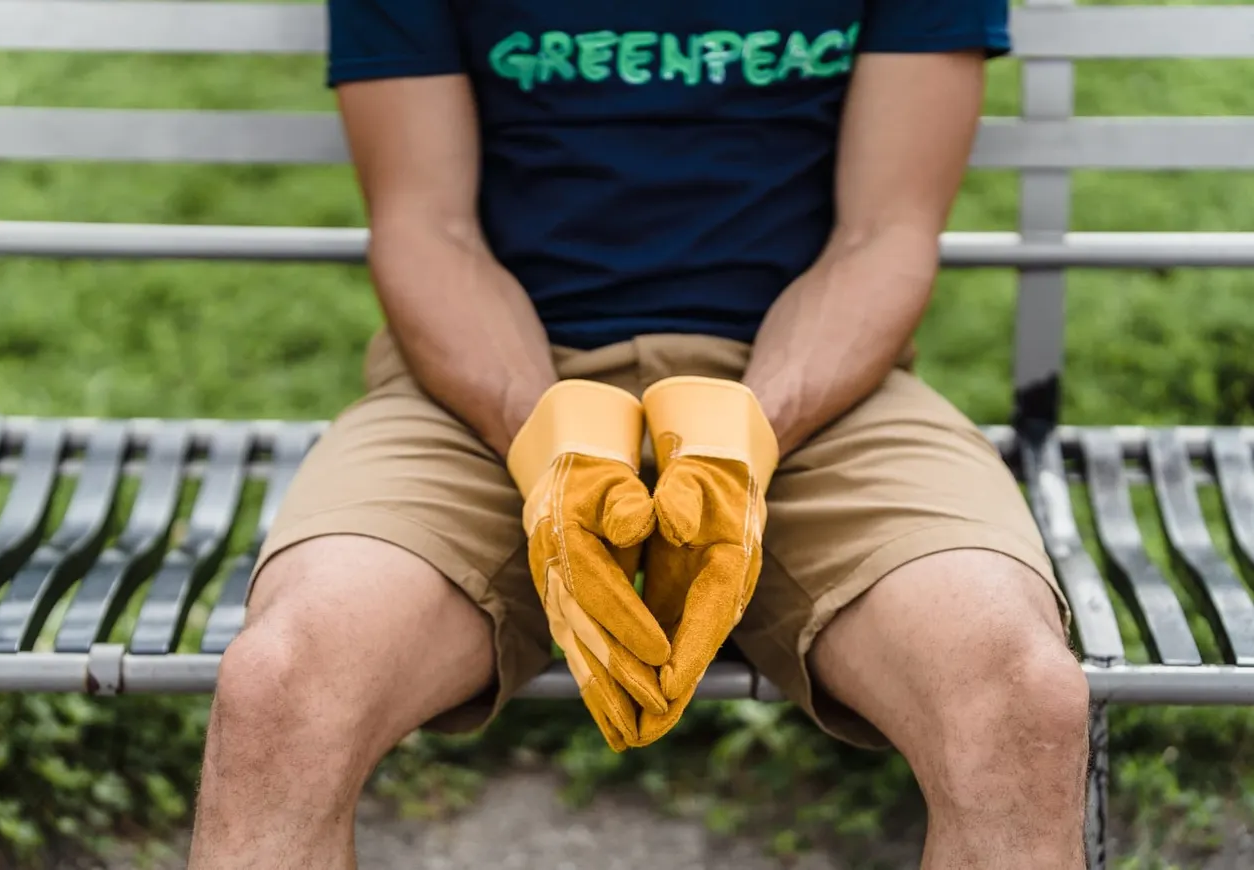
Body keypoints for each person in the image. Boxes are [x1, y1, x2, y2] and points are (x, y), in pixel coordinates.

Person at [186, 1, 1092, 867]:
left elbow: (882, 236)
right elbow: (430, 228)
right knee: (284, 688)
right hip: (485, 377)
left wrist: (744, 436)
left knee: (1018, 696)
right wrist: (548, 439)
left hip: (815, 382)